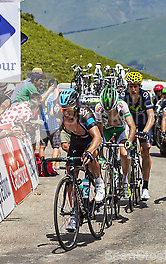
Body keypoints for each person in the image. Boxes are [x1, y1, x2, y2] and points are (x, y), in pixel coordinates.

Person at [58, 88, 104, 232]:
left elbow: (98, 137)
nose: (66, 112)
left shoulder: (85, 113)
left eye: (69, 109)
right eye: (63, 109)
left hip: (91, 139)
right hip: (76, 140)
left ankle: (99, 183)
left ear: (76, 106)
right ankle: (74, 214)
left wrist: (90, 152)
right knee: (70, 174)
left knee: (90, 159)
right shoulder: (61, 114)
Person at [95, 87, 136, 198]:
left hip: (121, 129)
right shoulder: (98, 109)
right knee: (98, 153)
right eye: (106, 109)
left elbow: (132, 126)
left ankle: (125, 180)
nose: (108, 112)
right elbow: (99, 131)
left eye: (111, 109)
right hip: (107, 130)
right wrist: (101, 154)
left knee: (124, 153)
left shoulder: (122, 105)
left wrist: (129, 141)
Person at [121, 71, 155, 200]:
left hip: (143, 124)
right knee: (124, 149)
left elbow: (151, 117)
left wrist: (145, 131)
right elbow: (118, 116)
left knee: (144, 150)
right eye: (130, 86)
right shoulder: (123, 95)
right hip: (129, 124)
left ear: (140, 86)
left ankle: (145, 186)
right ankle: (124, 179)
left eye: (135, 86)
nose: (133, 89)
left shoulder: (145, 95)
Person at [39, 79, 61, 173]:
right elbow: (52, 113)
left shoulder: (43, 95)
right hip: (53, 125)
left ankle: (42, 165)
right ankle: (52, 166)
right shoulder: (55, 97)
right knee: (55, 147)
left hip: (43, 125)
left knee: (42, 146)